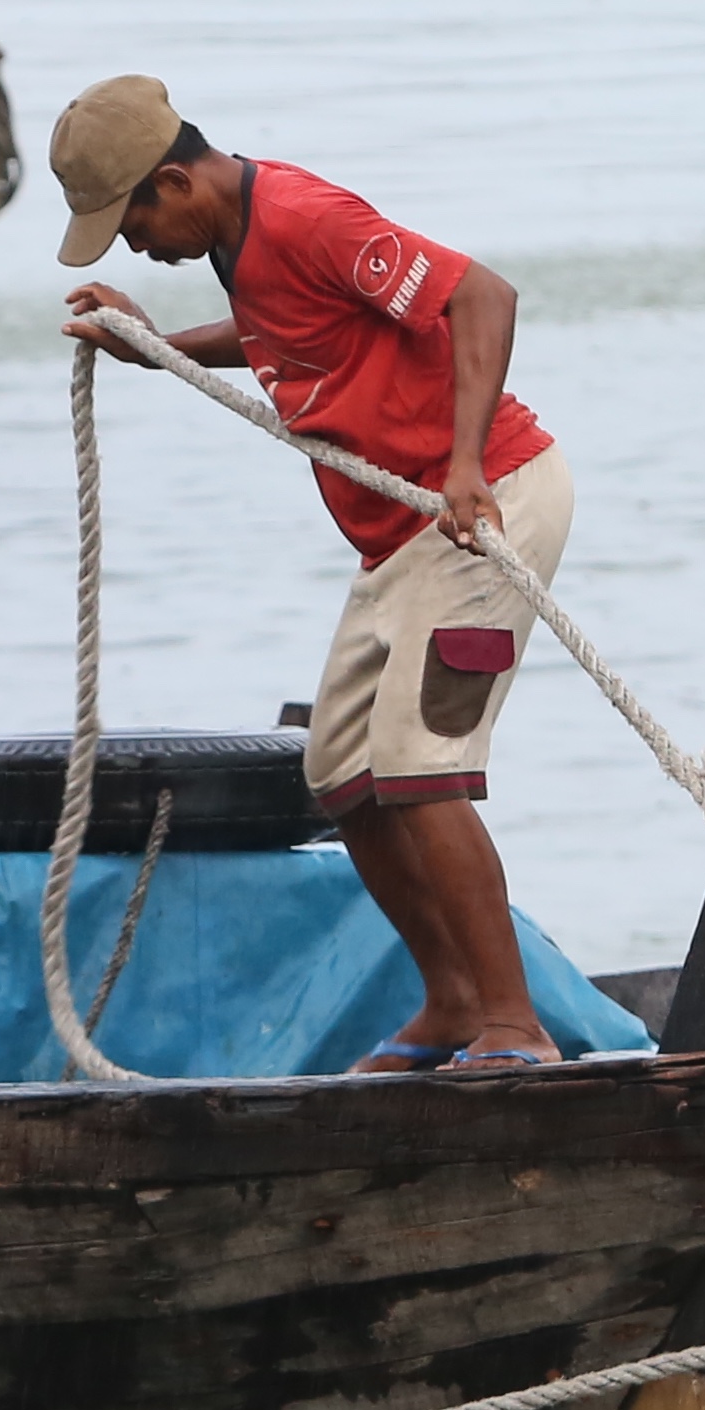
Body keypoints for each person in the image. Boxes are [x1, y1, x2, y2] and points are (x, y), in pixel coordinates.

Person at [49, 74, 574, 1073]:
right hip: (398, 541)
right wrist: (152, 347)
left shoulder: (302, 218)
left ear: (175, 181)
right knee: (339, 769)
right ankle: (456, 999)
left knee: (422, 769)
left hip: (483, 500)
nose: (138, 250)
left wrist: (463, 466)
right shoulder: (236, 242)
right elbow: (290, 333)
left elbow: (482, 295)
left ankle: (517, 1023)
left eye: (133, 227)